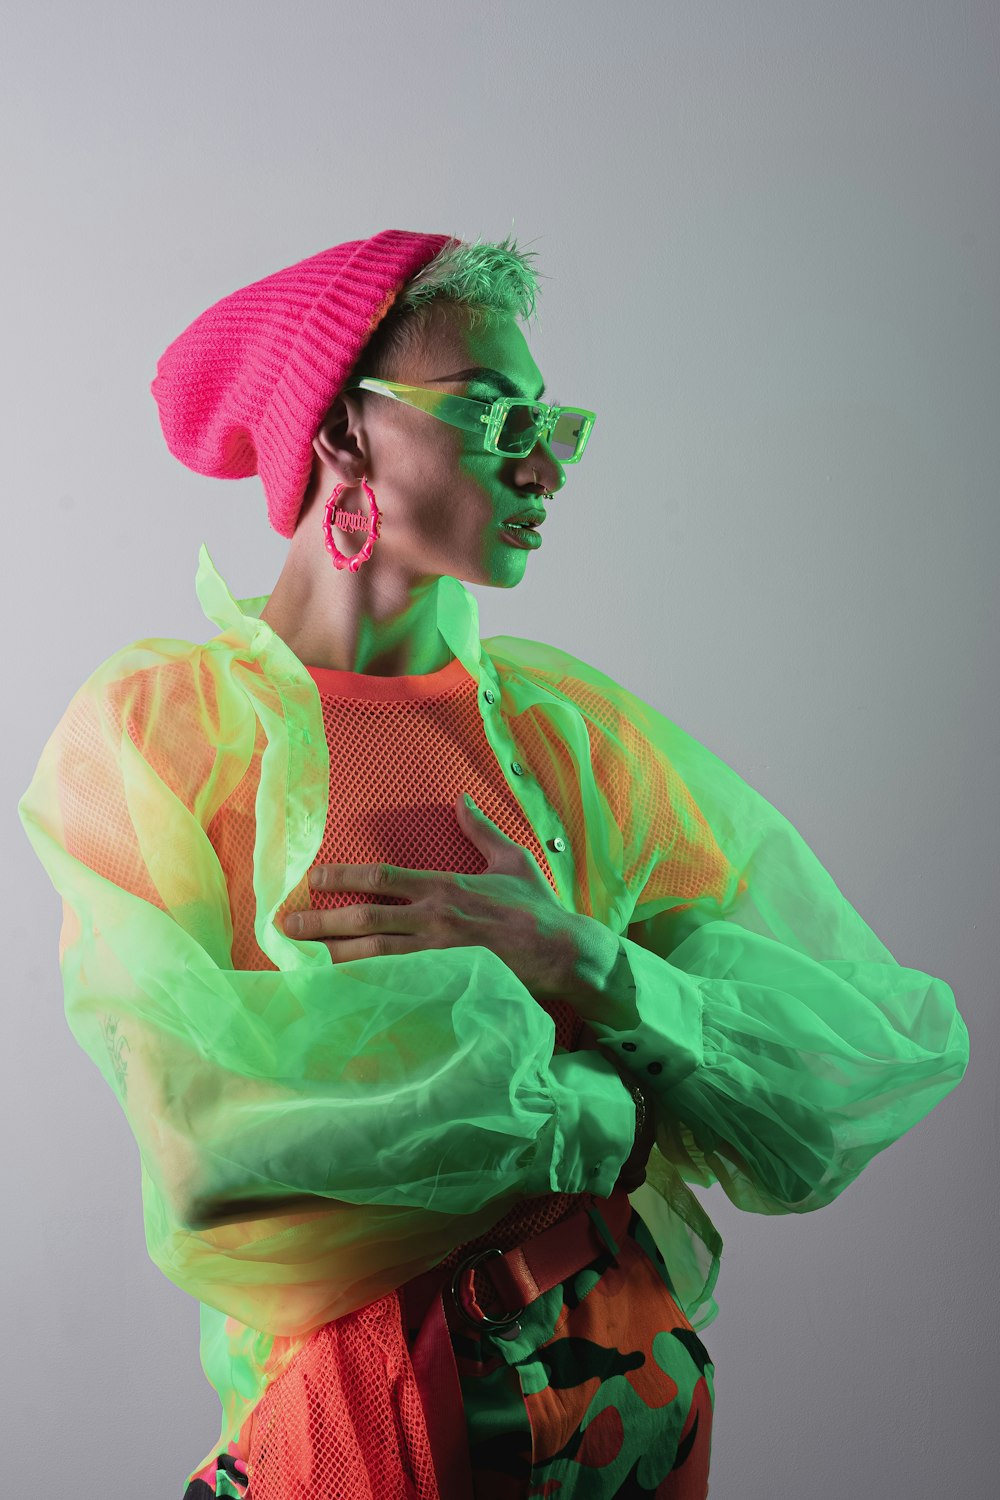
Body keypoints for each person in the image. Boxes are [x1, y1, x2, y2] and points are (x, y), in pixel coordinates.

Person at [17, 227, 970, 1500]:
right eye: (490, 411)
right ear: (342, 429)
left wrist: (581, 960)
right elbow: (214, 1156)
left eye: (552, 419)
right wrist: (604, 1099)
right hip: (384, 1420)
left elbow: (835, 1075)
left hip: (638, 1403)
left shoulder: (566, 742)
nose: (546, 463)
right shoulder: (159, 739)